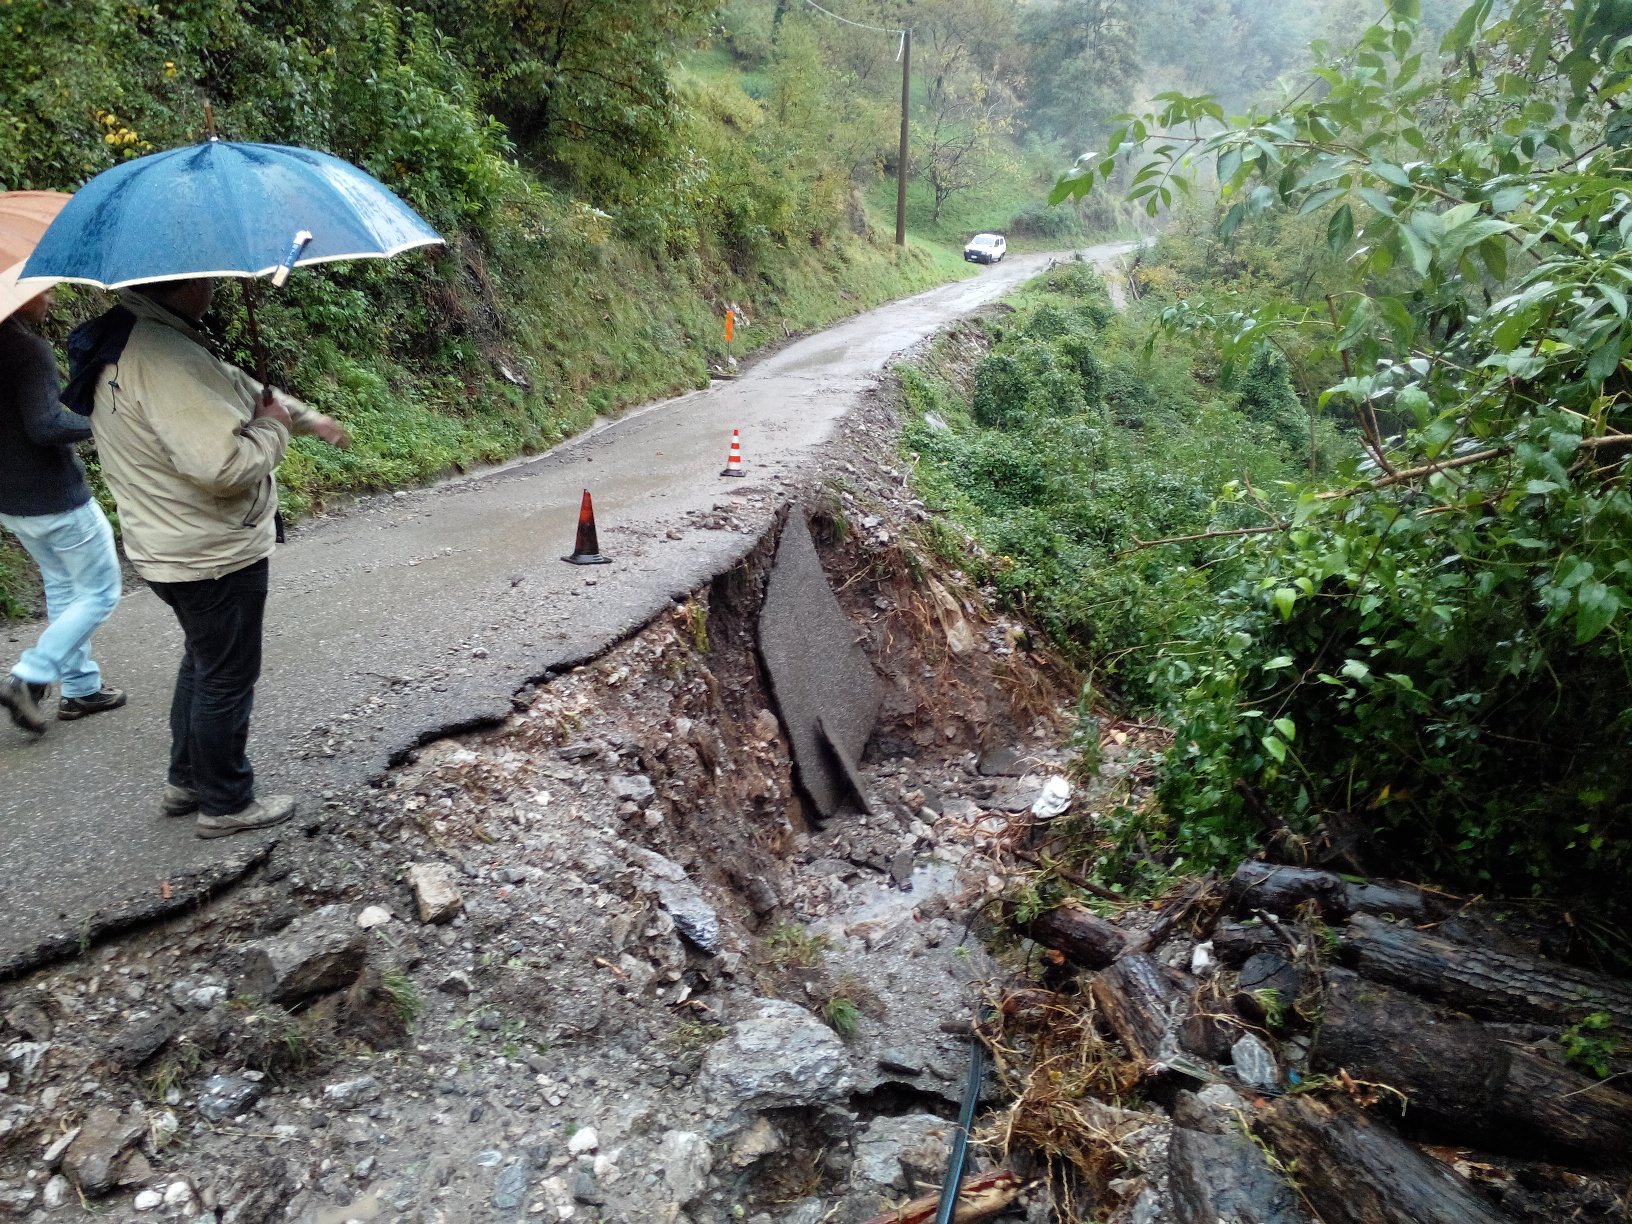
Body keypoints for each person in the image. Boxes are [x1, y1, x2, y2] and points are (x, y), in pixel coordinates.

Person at [72, 277, 350, 839]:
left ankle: (187, 781)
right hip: (210, 549)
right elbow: (223, 469)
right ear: (183, 281)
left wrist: (304, 416)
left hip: (168, 544)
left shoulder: (130, 335)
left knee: (203, 663)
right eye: (208, 279)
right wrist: (274, 431)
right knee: (226, 675)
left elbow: (241, 389)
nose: (216, 287)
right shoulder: (164, 356)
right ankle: (225, 802)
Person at [0, 287, 125, 734]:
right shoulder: (25, 349)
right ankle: (30, 674)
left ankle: (80, 688)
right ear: (16, 293)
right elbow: (46, 424)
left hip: (12, 501)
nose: (51, 296)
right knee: (102, 591)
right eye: (42, 288)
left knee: (63, 586)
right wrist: (107, 420)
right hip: (54, 497)